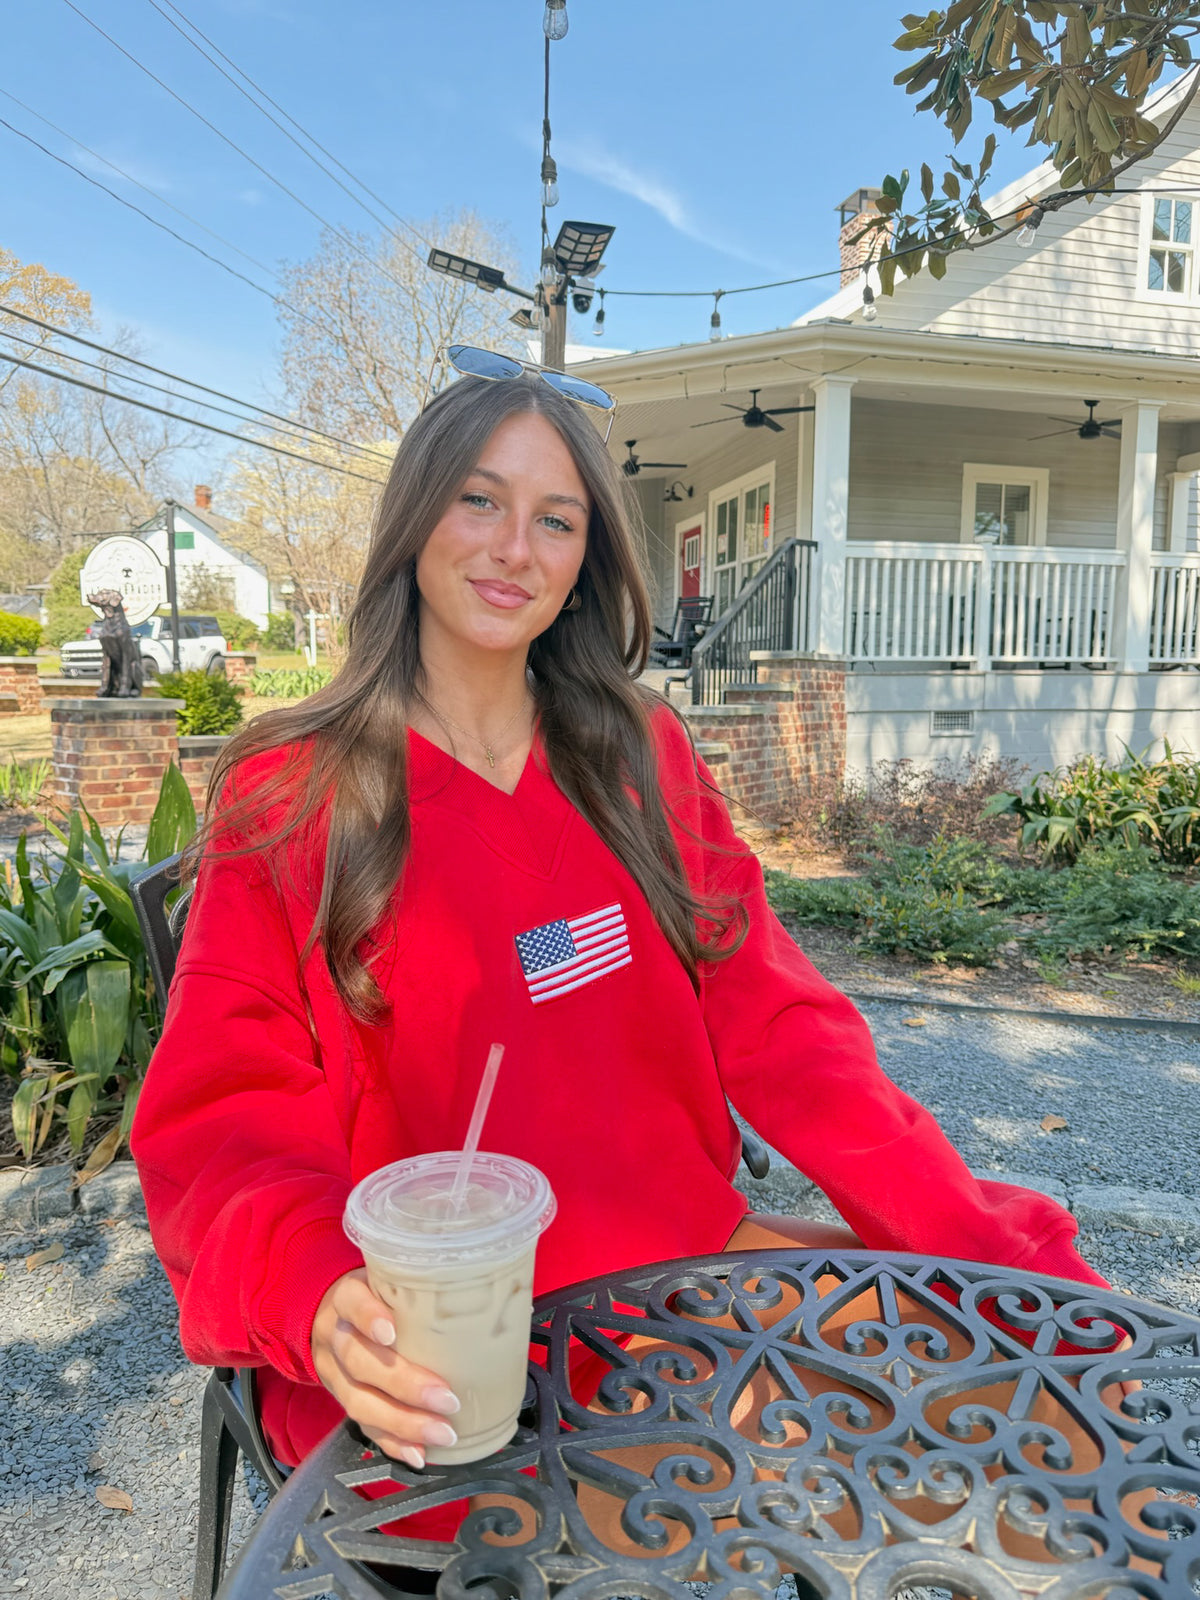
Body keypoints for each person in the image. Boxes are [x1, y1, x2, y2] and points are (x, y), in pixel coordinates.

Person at [130, 349, 1108, 1481]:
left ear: (587, 558)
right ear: (414, 518)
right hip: (442, 1340)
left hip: (679, 1270)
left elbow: (788, 1030)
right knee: (785, 1484)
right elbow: (220, 1110)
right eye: (479, 500)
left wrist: (974, 1234)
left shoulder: (641, 756)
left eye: (558, 519)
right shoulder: (296, 790)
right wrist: (310, 1289)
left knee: (1005, 1381)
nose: (514, 548)